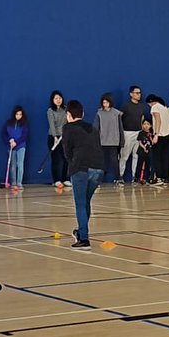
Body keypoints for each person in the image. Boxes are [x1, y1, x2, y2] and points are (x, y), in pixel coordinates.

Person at [62, 100, 105, 249]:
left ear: (68, 114)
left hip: (81, 168)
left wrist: (72, 164)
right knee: (86, 202)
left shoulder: (68, 128)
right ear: (83, 114)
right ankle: (81, 232)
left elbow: (67, 152)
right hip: (98, 168)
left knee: (80, 203)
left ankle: (84, 239)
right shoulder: (92, 128)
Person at [119, 86, 146, 184]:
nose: (139, 95)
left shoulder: (141, 106)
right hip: (127, 133)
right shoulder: (125, 106)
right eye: (137, 93)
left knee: (137, 155)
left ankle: (135, 176)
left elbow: (142, 119)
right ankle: (120, 176)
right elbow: (119, 117)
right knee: (124, 155)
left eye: (139, 93)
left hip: (138, 133)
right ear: (131, 94)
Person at [94, 94, 123, 185]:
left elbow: (120, 127)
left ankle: (118, 178)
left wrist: (122, 140)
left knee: (114, 160)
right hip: (102, 141)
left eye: (107, 102)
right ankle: (98, 180)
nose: (105, 104)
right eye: (103, 102)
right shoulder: (99, 113)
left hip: (114, 141)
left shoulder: (116, 113)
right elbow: (95, 127)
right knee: (101, 161)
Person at [47, 91, 71, 187]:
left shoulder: (65, 109)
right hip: (53, 138)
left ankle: (65, 178)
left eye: (60, 98)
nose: (58, 100)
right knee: (56, 159)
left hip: (64, 137)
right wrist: (55, 137)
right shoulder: (50, 111)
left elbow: (68, 121)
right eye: (56, 98)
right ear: (53, 100)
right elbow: (52, 125)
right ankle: (56, 180)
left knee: (66, 158)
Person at [147, 94, 169, 185]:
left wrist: (156, 134)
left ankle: (158, 178)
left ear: (151, 102)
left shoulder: (155, 107)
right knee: (165, 157)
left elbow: (158, 120)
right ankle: (165, 178)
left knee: (157, 157)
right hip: (168, 135)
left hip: (160, 135)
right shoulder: (165, 108)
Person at [3, 105, 29, 188]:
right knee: (12, 165)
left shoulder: (24, 124)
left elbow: (24, 136)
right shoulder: (8, 123)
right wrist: (10, 140)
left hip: (21, 146)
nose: (18, 116)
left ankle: (19, 183)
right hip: (11, 146)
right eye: (17, 114)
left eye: (20, 114)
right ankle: (13, 183)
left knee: (20, 164)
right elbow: (4, 134)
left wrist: (16, 142)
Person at [137, 117, 155, 184]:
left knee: (148, 165)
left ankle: (146, 178)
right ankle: (138, 178)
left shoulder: (152, 133)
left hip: (150, 152)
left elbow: (153, 142)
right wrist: (144, 148)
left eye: (148, 124)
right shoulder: (141, 133)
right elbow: (139, 142)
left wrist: (150, 137)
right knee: (140, 165)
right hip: (141, 152)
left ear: (150, 125)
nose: (146, 126)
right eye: (144, 124)